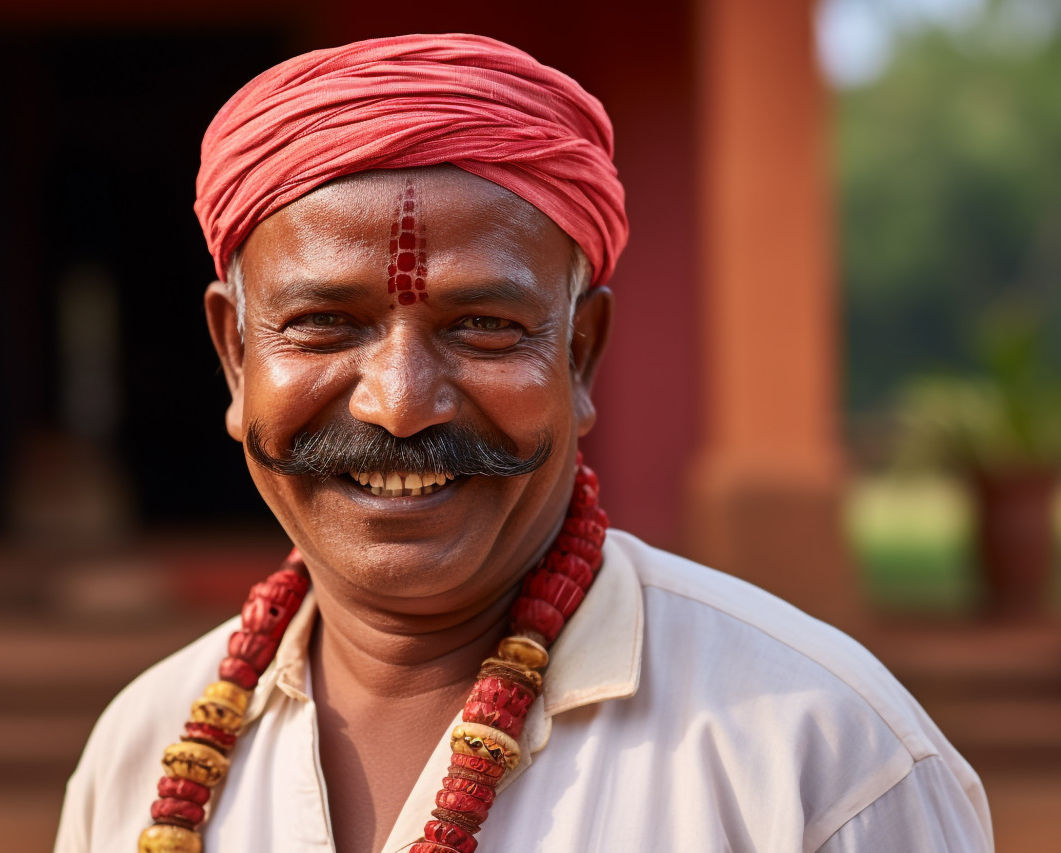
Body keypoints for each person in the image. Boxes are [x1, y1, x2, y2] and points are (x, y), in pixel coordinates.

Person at [54, 34, 993, 853]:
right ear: (233, 354)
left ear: (580, 356)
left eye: (486, 327)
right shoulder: (141, 750)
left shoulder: (822, 757)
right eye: (324, 324)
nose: (399, 407)